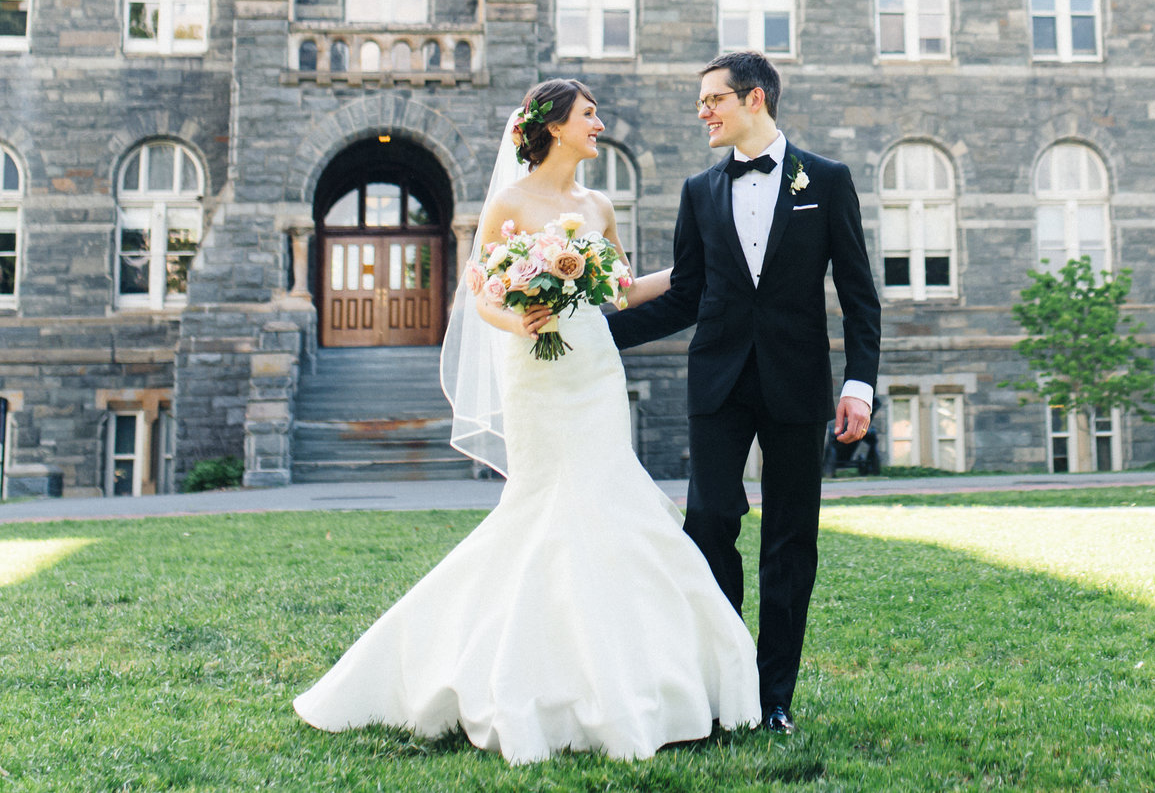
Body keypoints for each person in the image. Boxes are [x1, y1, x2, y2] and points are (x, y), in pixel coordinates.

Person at [295, 80, 761, 763]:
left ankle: (648, 672)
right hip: (536, 368)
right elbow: (479, 293)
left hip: (594, 367)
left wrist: (703, 270)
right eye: (589, 114)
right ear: (554, 126)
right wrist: (517, 318)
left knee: (612, 500)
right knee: (544, 509)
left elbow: (622, 291)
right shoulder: (509, 202)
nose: (599, 122)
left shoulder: (597, 205)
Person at [609, 51, 884, 735]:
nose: (702, 111)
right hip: (719, 381)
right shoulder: (700, 191)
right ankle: (727, 682)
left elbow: (858, 294)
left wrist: (859, 384)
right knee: (708, 524)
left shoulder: (827, 179)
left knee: (791, 541)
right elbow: (686, 296)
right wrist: (597, 332)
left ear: (754, 97)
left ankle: (774, 696)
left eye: (713, 99)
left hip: (798, 383)